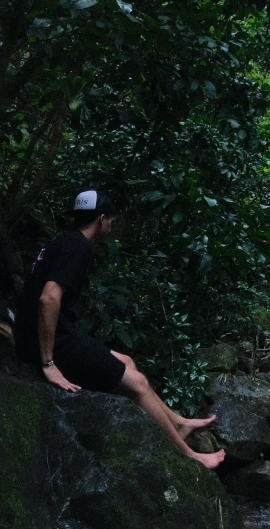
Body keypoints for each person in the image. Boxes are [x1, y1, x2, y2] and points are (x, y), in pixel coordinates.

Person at [14, 190, 225, 470]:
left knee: (126, 362)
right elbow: (48, 298)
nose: (111, 227)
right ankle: (190, 456)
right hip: (49, 343)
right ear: (101, 220)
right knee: (137, 385)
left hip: (48, 334)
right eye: (110, 221)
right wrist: (48, 363)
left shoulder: (63, 241)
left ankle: (178, 422)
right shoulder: (77, 247)